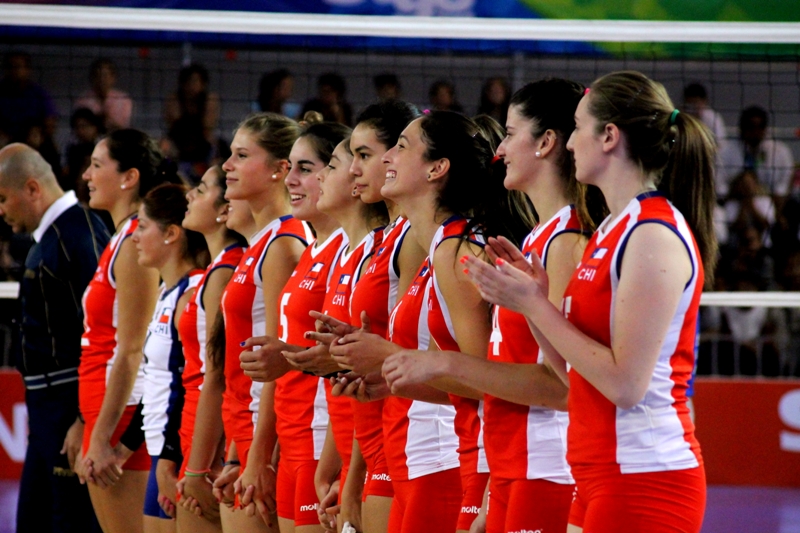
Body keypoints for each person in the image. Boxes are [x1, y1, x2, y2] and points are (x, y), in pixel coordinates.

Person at [463, 70, 717, 533]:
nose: (571, 142)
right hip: (595, 471)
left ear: (609, 137)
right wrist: (532, 303)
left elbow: (625, 386)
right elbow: (576, 376)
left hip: (645, 475)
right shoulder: (609, 231)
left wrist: (536, 308)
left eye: (578, 128)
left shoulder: (652, 234)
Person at [383, 79, 593, 533]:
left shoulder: (565, 242)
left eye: (511, 133)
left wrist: (439, 364)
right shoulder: (537, 238)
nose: (500, 150)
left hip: (544, 465)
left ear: (546, 144)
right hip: (509, 464)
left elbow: (564, 388)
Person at [234, 116, 349, 533]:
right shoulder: (316, 250)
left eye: (307, 169)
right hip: (294, 437)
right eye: (291, 168)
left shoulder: (340, 252)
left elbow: (354, 355)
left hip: (323, 439)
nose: (292, 180)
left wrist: (291, 359)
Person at [322, 100, 423, 533]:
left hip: (413, 442)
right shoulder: (383, 240)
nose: (352, 171)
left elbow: (432, 355)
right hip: (375, 441)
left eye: (364, 156)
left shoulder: (418, 240)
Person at [0, 143, 109, 533]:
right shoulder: (50, 238)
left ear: (32, 188)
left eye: (2, 198)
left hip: (69, 405)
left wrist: (85, 418)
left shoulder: (78, 235)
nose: (1, 210)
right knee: (33, 520)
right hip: (47, 409)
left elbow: (105, 331)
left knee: (69, 523)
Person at [212, 112, 309, 533]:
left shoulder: (286, 242)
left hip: (268, 439)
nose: (225, 166)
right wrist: (236, 453)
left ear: (279, 170)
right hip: (245, 435)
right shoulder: (260, 242)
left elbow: (276, 362)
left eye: (240, 155)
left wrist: (257, 458)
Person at [78, 128, 176, 533]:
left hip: (119, 415)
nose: (86, 174)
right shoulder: (120, 237)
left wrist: (102, 438)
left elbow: (133, 349)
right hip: (103, 412)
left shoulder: (137, 241)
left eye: (97, 165)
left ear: (129, 177)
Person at [127, 184, 208, 531]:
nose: (134, 236)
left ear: (172, 234)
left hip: (179, 452)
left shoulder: (193, 294)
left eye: (143, 226)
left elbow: (195, 382)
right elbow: (157, 380)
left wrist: (173, 455)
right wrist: (124, 448)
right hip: (161, 448)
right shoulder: (166, 291)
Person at [175, 166, 246, 533]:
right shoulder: (214, 269)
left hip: (212, 443)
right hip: (195, 435)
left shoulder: (227, 270)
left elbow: (218, 375)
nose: (189, 195)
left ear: (223, 211)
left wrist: (200, 465)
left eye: (200, 189)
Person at [718, 105, 794, 200]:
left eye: (760, 127)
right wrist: (735, 191)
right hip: (734, 200)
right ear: (742, 128)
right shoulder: (726, 151)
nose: (756, 132)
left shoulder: (780, 150)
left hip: (773, 200)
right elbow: (719, 184)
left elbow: (786, 181)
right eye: (751, 127)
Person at [163, 63, 221, 183]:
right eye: (189, 81)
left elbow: (208, 126)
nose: (192, 85)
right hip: (179, 141)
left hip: (201, 142)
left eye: (196, 81)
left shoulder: (209, 99)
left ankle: (210, 183)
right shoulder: (174, 98)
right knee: (164, 146)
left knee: (216, 150)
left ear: (203, 83)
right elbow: (173, 125)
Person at [0, 51, 58, 147]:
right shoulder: (1, 92)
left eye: (18, 67)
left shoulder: (38, 94)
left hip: (34, 142)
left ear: (28, 69)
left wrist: (39, 134)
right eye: (10, 67)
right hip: (6, 142)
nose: (14, 71)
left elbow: (50, 122)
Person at [75, 58, 133, 132]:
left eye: (105, 75)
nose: (101, 79)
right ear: (92, 78)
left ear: (113, 78)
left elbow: (122, 127)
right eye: (97, 75)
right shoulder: (82, 100)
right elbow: (81, 129)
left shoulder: (123, 100)